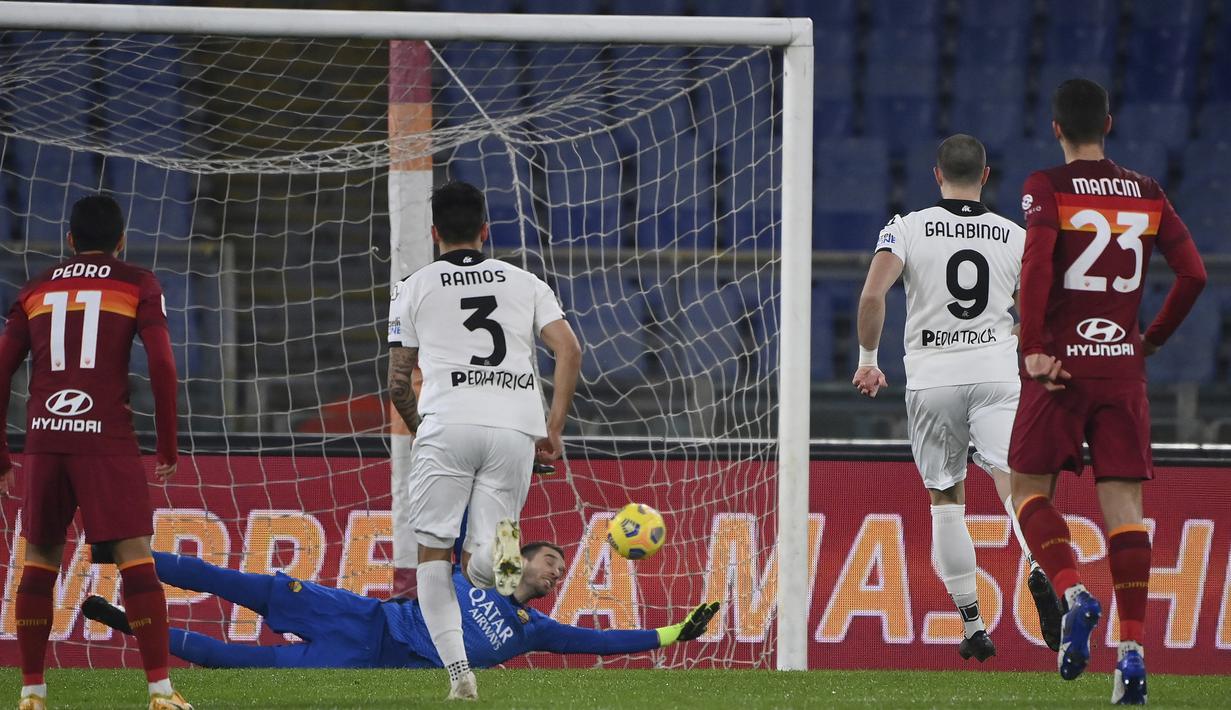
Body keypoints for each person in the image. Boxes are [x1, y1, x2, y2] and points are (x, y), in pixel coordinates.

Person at [1010, 79, 1206, 705]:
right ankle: (1132, 657)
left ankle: (1073, 592)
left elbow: (1039, 265)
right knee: (1125, 513)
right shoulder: (1147, 192)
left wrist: (1033, 345)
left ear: (1055, 128)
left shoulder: (1045, 186)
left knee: (1026, 490)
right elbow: (1194, 274)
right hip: (1122, 368)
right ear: (1110, 124)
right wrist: (1151, 339)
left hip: (1060, 368)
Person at [852, 135, 1062, 662]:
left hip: (932, 379)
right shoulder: (1015, 236)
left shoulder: (905, 228)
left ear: (936, 175)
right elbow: (1041, 307)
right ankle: (1039, 565)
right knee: (1016, 485)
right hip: (996, 374)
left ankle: (972, 625)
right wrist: (1013, 334)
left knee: (946, 501)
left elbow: (874, 294)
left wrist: (868, 359)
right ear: (986, 176)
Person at [385, 181, 582, 699]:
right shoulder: (525, 281)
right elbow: (568, 350)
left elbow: (397, 383)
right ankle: (496, 559)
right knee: (493, 567)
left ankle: (459, 677)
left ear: (433, 233)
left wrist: (424, 427)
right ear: (485, 231)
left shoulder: (414, 285)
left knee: (432, 553)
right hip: (515, 426)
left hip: (448, 422)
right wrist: (553, 428)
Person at [0, 195, 190, 710]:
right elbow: (163, 366)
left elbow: (0, 371)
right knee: (134, 556)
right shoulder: (136, 283)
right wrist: (167, 444)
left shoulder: (35, 289)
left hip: (44, 437)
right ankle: (160, 692)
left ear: (69, 241)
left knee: (38, 558)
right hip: (105, 439)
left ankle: (32, 692)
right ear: (121, 240)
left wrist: (1, 455)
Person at [81, 543, 720, 669]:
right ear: (517, 560)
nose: (555, 568)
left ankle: (134, 626)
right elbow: (487, 510)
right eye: (545, 557)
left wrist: (673, 633)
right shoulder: (481, 572)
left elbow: (603, 644)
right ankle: (129, 556)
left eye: (558, 567)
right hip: (361, 616)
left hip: (368, 660)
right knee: (238, 582)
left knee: (233, 664)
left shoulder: (535, 630)